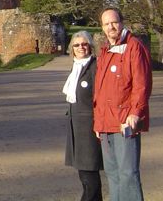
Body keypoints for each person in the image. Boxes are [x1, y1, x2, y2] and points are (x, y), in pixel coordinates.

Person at [93, 7, 153, 201]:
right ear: (102, 28)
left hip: (125, 122)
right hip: (105, 124)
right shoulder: (105, 51)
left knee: (128, 174)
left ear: (121, 22)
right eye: (106, 24)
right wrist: (98, 122)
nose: (111, 26)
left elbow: (142, 83)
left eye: (114, 22)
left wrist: (135, 113)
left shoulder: (134, 46)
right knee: (113, 174)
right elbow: (100, 91)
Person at [63, 31, 103, 201]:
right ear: (72, 48)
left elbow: (100, 98)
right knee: (84, 175)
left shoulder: (95, 66)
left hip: (89, 128)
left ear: (90, 46)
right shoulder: (76, 66)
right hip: (76, 126)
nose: (81, 47)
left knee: (89, 176)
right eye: (77, 45)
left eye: (84, 44)